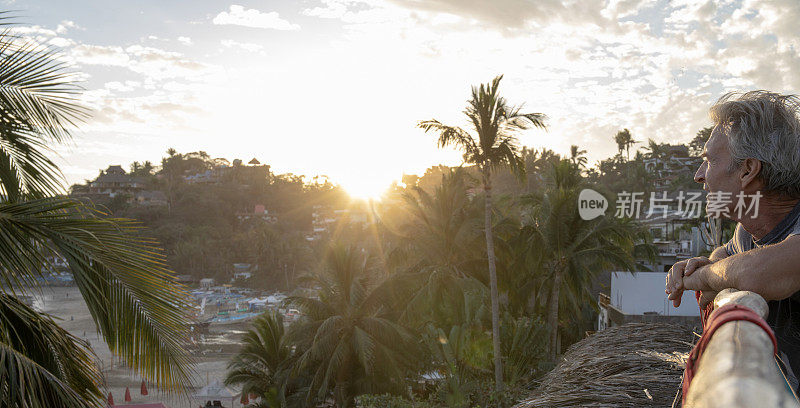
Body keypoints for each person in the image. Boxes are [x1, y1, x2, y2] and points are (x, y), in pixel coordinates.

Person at [664, 90, 800, 389]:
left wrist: (700, 278)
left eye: (708, 162)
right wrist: (708, 264)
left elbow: (757, 271)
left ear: (748, 170)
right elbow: (726, 254)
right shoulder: (749, 231)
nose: (699, 176)